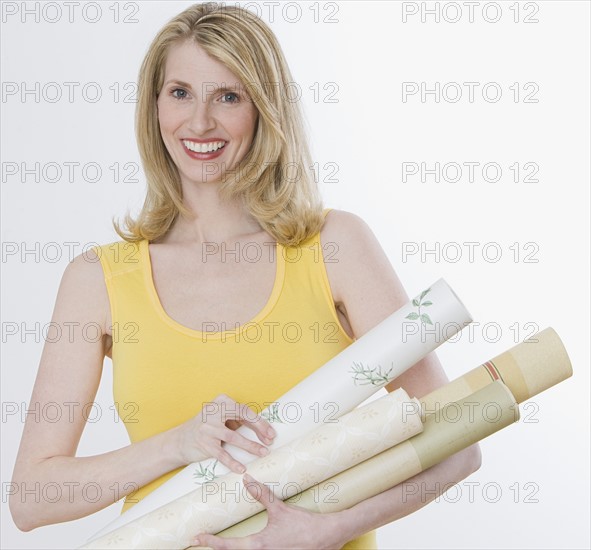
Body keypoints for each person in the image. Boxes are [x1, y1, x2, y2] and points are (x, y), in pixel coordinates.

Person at [9, 3, 481, 549]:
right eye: (180, 92)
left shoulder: (334, 248)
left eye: (228, 96)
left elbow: (459, 442)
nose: (200, 122)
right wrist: (178, 445)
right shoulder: (98, 280)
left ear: (263, 108)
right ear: (154, 105)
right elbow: (30, 498)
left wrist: (325, 531)